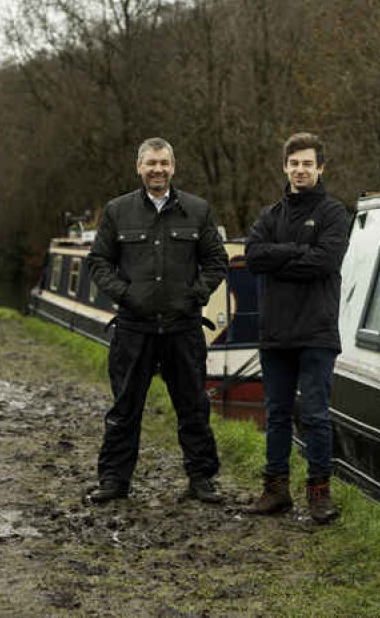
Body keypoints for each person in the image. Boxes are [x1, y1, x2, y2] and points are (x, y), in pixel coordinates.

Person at [85, 137, 228, 504]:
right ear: (139, 167)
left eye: (163, 163)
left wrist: (195, 296)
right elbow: (98, 263)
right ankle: (114, 481)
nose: (157, 169)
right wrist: (127, 294)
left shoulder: (197, 211)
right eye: (151, 163)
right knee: (124, 409)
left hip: (183, 328)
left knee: (194, 406)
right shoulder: (118, 212)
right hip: (134, 329)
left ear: (173, 167)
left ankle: (201, 480)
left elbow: (216, 261)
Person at [245, 132, 349, 524]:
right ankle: (275, 491)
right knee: (276, 414)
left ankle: (319, 494)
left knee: (317, 415)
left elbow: (324, 262)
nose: (300, 169)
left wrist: (279, 258)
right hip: (275, 332)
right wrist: (296, 252)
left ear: (320, 167)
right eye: (294, 163)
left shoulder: (333, 213)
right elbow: (254, 257)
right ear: (284, 167)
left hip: (317, 331)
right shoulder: (269, 216)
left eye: (308, 163)